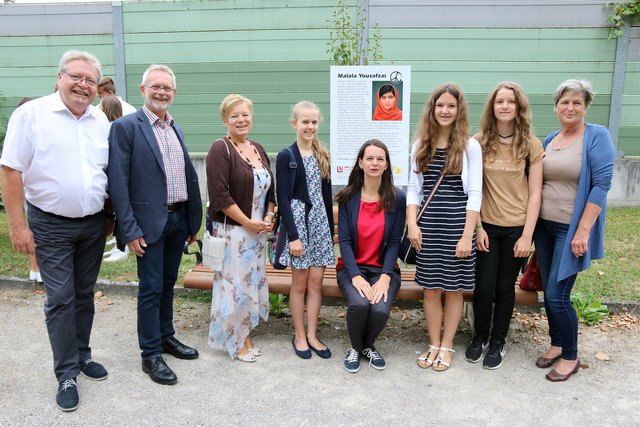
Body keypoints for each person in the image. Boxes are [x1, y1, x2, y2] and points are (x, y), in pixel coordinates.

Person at [1, 50, 111, 412]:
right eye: (76, 77)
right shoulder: (31, 115)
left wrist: (110, 219)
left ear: (97, 87)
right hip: (50, 225)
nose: (83, 85)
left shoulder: (99, 120)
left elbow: (108, 174)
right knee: (60, 298)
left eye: (90, 80)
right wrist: (18, 226)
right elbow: (11, 170)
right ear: (59, 77)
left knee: (83, 294)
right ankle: (66, 373)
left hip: (93, 225)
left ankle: (82, 355)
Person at [108, 64, 203, 385]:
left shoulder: (175, 126)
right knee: (150, 289)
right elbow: (118, 184)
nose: (161, 92)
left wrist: (191, 221)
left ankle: (166, 337)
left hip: (178, 221)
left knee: (166, 285)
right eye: (155, 86)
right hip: (147, 225)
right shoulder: (125, 127)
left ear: (174, 93)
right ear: (142, 90)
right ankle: (150, 354)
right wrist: (129, 229)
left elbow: (184, 176)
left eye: (167, 88)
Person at [533, 79, 615, 382]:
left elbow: (601, 186)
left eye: (577, 103)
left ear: (585, 107)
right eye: (564, 102)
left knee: (557, 295)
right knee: (549, 291)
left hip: (570, 231)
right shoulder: (551, 140)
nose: (570, 107)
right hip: (543, 227)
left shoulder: (596, 136)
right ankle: (556, 343)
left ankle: (570, 355)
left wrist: (583, 232)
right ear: (556, 107)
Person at [464, 82, 545, 369]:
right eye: (500, 101)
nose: (505, 106)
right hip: (486, 227)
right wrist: (478, 227)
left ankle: (498, 341)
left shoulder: (531, 145)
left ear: (519, 107)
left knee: (504, 288)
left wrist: (527, 236)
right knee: (483, 288)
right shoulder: (478, 141)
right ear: (493, 106)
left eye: (511, 101)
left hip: (515, 228)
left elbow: (535, 193)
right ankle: (480, 336)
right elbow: (473, 189)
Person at [407, 83, 482, 372]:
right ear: (432, 109)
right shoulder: (420, 145)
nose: (445, 110)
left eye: (451, 106)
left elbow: (475, 192)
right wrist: (412, 224)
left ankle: (447, 346)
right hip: (428, 227)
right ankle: (434, 342)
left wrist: (467, 235)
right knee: (430, 289)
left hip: (456, 226)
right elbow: (414, 190)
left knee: (453, 289)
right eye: (440, 105)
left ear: (458, 110)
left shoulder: (469, 146)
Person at [207, 94, 276, 362]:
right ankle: (236, 342)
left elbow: (271, 191)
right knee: (234, 288)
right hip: (234, 233)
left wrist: (269, 216)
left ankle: (245, 334)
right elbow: (220, 196)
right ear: (225, 120)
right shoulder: (219, 149)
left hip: (257, 234)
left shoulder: (257, 147)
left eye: (245, 114)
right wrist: (248, 222)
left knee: (250, 286)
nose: (241, 119)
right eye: (234, 115)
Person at [334, 139, 406, 373]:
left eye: (380, 159)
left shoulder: (397, 199)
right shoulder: (348, 197)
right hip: (351, 268)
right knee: (359, 304)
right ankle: (357, 347)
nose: (375, 163)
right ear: (360, 163)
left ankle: (366, 346)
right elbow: (344, 241)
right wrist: (355, 276)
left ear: (387, 165)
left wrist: (385, 276)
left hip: (383, 269)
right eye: (370, 158)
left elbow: (395, 242)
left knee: (380, 309)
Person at [276, 101, 334, 359]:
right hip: (299, 225)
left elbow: (327, 195)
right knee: (299, 283)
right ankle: (299, 334)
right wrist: (293, 237)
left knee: (316, 282)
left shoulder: (323, 154)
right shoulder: (286, 156)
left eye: (314, 122)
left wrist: (331, 232)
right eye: (304, 122)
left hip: (320, 223)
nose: (310, 126)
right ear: (294, 124)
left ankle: (312, 334)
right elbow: (283, 199)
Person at [14, 96, 42, 283]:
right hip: (26, 186)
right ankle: (35, 268)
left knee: (35, 228)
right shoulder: (20, 128)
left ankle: (36, 269)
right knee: (33, 228)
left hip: (33, 186)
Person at [99, 96, 129, 263]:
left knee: (119, 213)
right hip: (115, 177)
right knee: (117, 213)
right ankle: (119, 245)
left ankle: (121, 247)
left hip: (115, 178)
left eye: (100, 105)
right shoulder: (117, 126)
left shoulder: (112, 128)